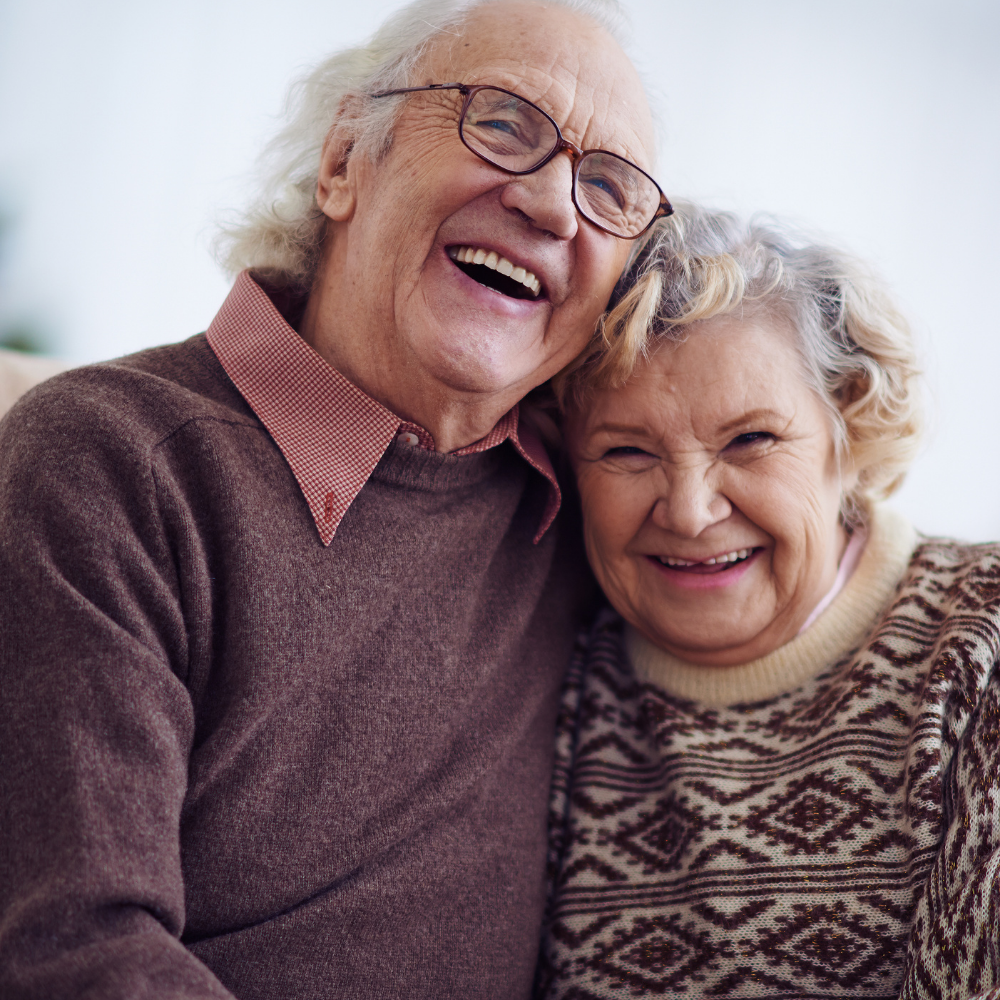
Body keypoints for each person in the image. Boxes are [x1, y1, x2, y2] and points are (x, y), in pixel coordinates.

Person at [0, 1, 670, 997]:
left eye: (610, 187)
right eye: (501, 123)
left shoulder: (587, 506)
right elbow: (76, 951)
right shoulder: (109, 459)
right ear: (345, 159)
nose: (553, 206)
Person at [537, 204, 1000, 997]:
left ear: (849, 423)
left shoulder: (980, 638)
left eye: (751, 440)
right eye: (625, 450)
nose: (688, 510)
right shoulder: (555, 671)